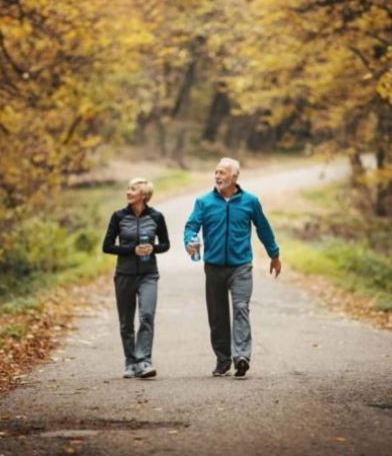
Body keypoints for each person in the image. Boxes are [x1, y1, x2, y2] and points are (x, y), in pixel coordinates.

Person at [184, 158, 281, 378]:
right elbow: (191, 226)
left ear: (235, 177)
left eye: (222, 173)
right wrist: (190, 241)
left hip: (241, 266)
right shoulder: (204, 201)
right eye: (216, 172)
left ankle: (242, 357)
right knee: (217, 316)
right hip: (214, 267)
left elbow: (263, 228)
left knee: (240, 307)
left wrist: (274, 254)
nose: (217, 176)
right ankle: (223, 359)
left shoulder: (250, 201)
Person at [102, 178, 170, 379]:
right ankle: (130, 362)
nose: (128, 192)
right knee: (126, 322)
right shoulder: (118, 217)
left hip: (149, 274)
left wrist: (153, 248)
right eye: (128, 189)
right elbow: (107, 246)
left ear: (143, 195)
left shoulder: (156, 217)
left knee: (147, 316)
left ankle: (144, 361)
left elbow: (165, 244)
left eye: (133, 189)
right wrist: (132, 250)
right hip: (124, 274)